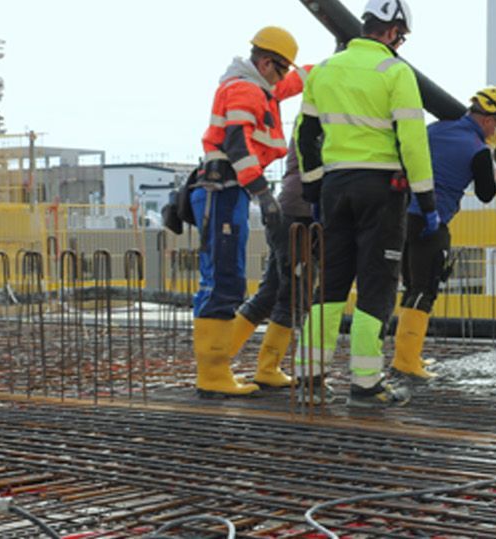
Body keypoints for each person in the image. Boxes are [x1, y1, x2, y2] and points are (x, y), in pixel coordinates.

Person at [294, 0, 433, 408]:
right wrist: (426, 200)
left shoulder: (324, 69)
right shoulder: (396, 72)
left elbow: (306, 136)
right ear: (392, 32)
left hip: (336, 187)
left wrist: (315, 190)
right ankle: (367, 385)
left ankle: (309, 381)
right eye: (400, 38)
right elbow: (412, 141)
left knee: (331, 285)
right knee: (376, 285)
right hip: (382, 190)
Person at [190, 26, 305, 398]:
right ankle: (212, 374)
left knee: (230, 278)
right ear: (267, 63)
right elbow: (237, 146)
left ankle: (217, 370)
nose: (284, 78)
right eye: (282, 70)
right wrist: (263, 194)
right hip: (224, 189)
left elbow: (294, 83)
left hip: (230, 191)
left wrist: (335, 60)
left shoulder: (260, 87)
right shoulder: (243, 89)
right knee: (221, 280)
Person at [390, 87, 496, 384]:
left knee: (410, 286)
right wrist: (490, 155)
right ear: (487, 119)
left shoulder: (435, 130)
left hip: (401, 218)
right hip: (432, 223)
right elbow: (486, 194)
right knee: (425, 289)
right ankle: (405, 362)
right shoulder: (478, 149)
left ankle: (407, 355)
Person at [221, 143, 316, 392]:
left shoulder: (311, 116)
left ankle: (217, 364)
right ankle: (267, 369)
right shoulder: (326, 119)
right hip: (301, 215)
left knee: (270, 293)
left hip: (285, 212)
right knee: (294, 295)